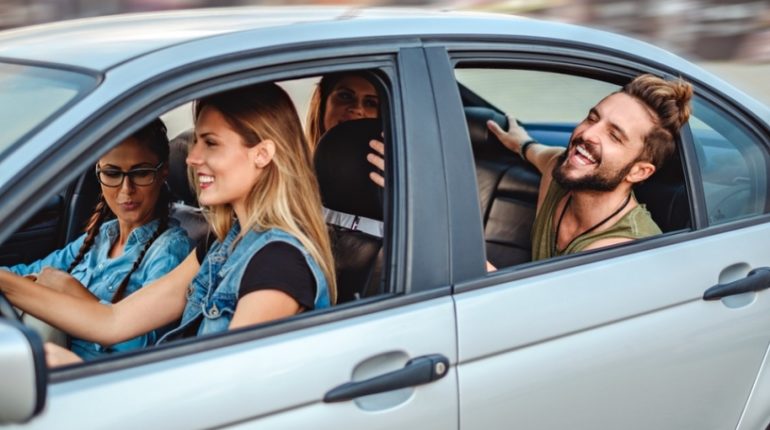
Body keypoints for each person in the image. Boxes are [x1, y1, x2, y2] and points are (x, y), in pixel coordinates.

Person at [0, 83, 336, 366]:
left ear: (262, 154)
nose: (191, 157)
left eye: (211, 143)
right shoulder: (222, 246)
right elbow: (113, 322)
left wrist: (85, 372)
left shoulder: (278, 266)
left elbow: (223, 387)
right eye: (197, 142)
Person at [0, 119, 194, 360]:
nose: (126, 190)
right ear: (98, 173)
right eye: (112, 173)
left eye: (141, 172)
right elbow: (27, 272)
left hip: (91, 378)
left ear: (163, 171)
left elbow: (144, 348)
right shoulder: (101, 236)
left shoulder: (169, 250)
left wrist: (73, 291)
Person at [486, 74, 693, 267]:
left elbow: (540, 306)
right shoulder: (557, 168)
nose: (588, 134)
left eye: (614, 136)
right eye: (593, 119)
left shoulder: (622, 254)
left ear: (639, 172)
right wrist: (521, 143)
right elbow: (539, 153)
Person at [306, 71, 385, 236]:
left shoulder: (395, 176)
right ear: (322, 105)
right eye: (345, 96)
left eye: (370, 102)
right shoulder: (293, 177)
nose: (357, 109)